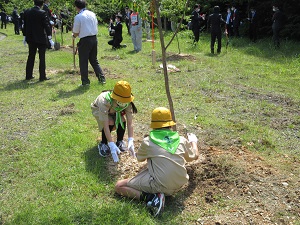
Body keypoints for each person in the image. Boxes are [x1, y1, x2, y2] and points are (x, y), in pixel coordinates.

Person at [115, 107, 199, 217]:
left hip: (161, 184)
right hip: (180, 183)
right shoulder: (181, 139)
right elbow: (194, 156)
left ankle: (152, 198)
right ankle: (161, 191)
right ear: (170, 123)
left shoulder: (148, 141)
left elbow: (140, 159)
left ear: (153, 124)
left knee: (119, 186)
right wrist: (193, 141)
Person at [91, 80, 137, 163]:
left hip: (114, 110)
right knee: (110, 122)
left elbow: (130, 122)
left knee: (122, 120)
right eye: (122, 100)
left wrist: (131, 140)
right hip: (99, 109)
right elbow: (105, 125)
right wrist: (111, 144)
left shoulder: (127, 102)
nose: (124, 102)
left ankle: (120, 141)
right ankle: (103, 144)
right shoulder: (104, 101)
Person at [72, 0, 106, 86]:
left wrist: (74, 36)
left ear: (76, 7)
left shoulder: (78, 17)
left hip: (85, 40)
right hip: (94, 38)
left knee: (83, 61)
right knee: (94, 60)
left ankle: (85, 82)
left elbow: (76, 31)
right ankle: (102, 78)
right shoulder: (92, 14)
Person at [23, 0, 54, 81]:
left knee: (31, 56)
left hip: (31, 37)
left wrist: (25, 35)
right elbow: (46, 25)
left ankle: (28, 75)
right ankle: (42, 76)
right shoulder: (42, 13)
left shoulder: (27, 12)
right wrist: (50, 36)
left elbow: (25, 25)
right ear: (42, 4)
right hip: (41, 38)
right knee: (42, 57)